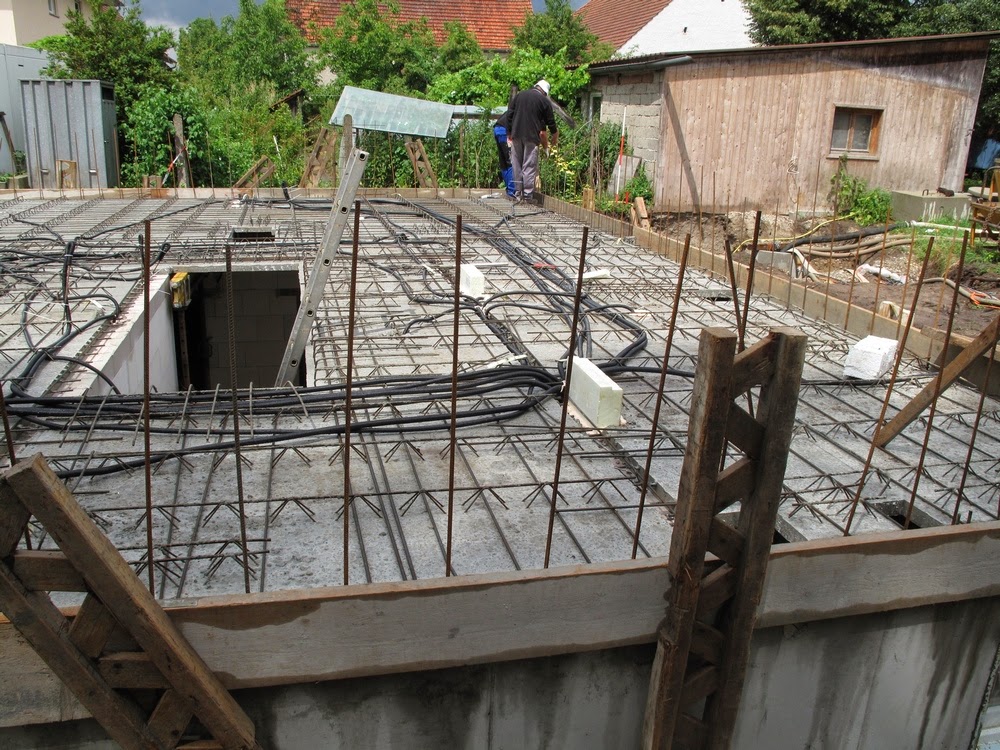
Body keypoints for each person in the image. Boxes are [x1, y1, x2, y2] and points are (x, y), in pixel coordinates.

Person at [508, 79, 558, 205]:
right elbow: (550, 121)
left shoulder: (520, 95)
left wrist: (509, 132)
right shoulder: (543, 101)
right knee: (529, 166)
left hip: (516, 135)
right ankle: (528, 197)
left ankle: (518, 195)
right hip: (531, 137)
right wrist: (555, 134)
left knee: (517, 165)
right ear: (544, 92)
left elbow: (510, 114)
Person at [493, 110, 516, 198]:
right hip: (505, 131)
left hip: (498, 128)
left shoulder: (519, 105)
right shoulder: (527, 111)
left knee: (504, 162)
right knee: (511, 161)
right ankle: (512, 192)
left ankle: (509, 190)